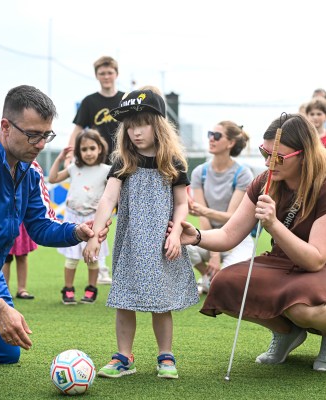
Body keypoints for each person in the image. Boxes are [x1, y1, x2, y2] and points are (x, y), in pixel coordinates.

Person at [174, 113, 326, 372]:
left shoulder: (322, 185)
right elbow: (228, 235)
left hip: (317, 267)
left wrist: (274, 225)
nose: (268, 162)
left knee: (301, 308)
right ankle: (287, 333)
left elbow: (315, 260)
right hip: (283, 262)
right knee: (225, 284)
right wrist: (196, 237)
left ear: (304, 154)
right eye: (264, 153)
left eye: (277, 157)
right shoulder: (264, 182)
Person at [0, 85, 109, 364]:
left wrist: (76, 232)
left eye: (46, 135)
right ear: (5, 126)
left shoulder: (32, 171)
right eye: (32, 135)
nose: (40, 145)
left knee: (5, 355)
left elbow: (41, 225)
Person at [83, 87, 199, 379]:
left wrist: (174, 235)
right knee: (124, 300)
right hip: (131, 243)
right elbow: (108, 200)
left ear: (157, 124)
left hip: (163, 243)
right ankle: (123, 357)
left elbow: (183, 203)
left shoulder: (172, 161)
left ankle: (166, 356)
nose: (135, 132)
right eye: (130, 126)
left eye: (142, 124)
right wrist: (96, 236)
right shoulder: (123, 161)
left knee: (161, 303)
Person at [65, 55, 123, 285]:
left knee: (122, 215)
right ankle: (101, 267)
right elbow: (78, 129)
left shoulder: (125, 99)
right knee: (100, 213)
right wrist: (70, 152)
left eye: (110, 72)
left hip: (121, 164)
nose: (106, 77)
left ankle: (117, 264)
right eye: (102, 73)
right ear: (97, 75)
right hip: (96, 167)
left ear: (116, 74)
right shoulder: (89, 102)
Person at [187, 122, 254, 294]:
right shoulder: (199, 172)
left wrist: (203, 211)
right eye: (210, 134)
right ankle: (207, 275)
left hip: (236, 236)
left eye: (217, 136)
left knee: (230, 285)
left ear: (230, 143)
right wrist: (214, 253)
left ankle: (218, 279)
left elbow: (232, 217)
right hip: (209, 237)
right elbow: (203, 219)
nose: (211, 139)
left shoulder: (243, 173)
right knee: (176, 244)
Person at [48, 129, 111, 305]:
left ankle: (91, 289)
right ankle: (68, 289)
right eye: (84, 149)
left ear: (100, 149)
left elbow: (115, 195)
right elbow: (53, 179)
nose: (88, 153)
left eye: (92, 148)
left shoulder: (107, 170)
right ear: (78, 152)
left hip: (94, 220)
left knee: (93, 258)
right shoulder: (74, 168)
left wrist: (106, 217)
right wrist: (60, 159)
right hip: (73, 218)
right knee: (71, 258)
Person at [2, 223, 37, 300]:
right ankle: (5, 290)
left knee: (23, 256)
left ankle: (22, 289)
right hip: (6, 224)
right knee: (6, 259)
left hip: (22, 224)